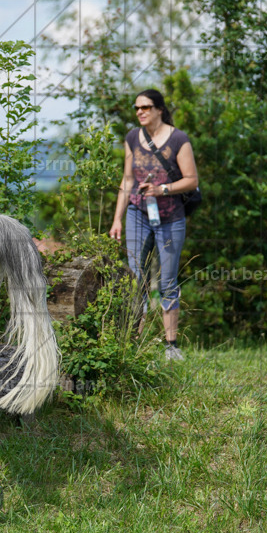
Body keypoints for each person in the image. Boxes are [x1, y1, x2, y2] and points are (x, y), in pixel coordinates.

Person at [109, 89, 199, 360]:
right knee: (135, 279)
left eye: (146, 107)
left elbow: (192, 180)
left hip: (171, 218)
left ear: (159, 109)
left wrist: (162, 189)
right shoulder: (132, 138)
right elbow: (127, 180)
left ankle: (171, 346)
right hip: (137, 214)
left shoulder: (179, 139)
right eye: (136, 108)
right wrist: (117, 219)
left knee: (168, 280)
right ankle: (133, 343)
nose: (140, 112)